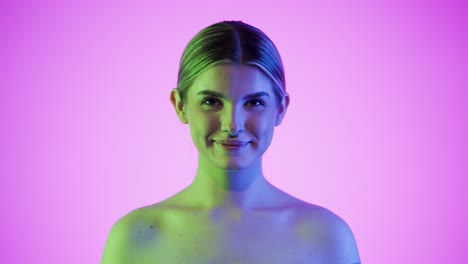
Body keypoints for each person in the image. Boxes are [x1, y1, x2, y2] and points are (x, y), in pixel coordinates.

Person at [101, 21, 361, 264]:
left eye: (254, 102)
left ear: (280, 108)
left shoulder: (328, 238)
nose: (232, 125)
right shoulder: (135, 238)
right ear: (180, 105)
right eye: (211, 101)